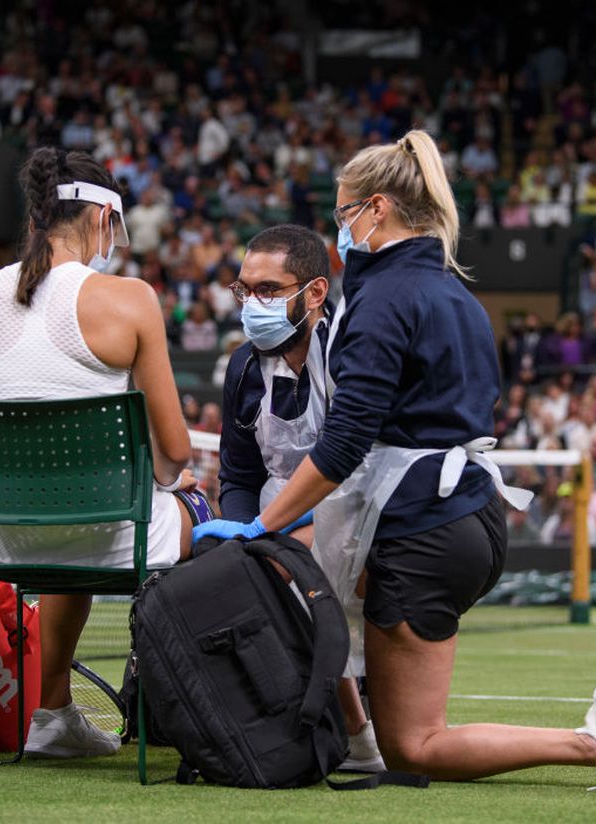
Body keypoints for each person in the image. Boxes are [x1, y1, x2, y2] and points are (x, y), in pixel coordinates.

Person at [195, 130, 596, 792]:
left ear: (377, 209)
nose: (340, 228)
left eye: (345, 212)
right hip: (467, 514)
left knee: (415, 746)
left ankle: (592, 742)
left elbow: (344, 443)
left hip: (424, 524)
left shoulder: (382, 298)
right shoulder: (451, 290)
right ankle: (354, 730)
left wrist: (262, 527)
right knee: (382, 702)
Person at [0, 147, 212, 760]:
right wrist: (175, 481)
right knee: (206, 512)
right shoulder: (131, 299)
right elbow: (172, 453)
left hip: (7, 540)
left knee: (71, 519)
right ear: (99, 219)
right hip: (113, 534)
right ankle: (169, 709)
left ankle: (53, 712)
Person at [217, 224, 383, 772]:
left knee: (296, 570)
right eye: (244, 290)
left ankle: (358, 726)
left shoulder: (349, 352)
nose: (251, 303)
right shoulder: (242, 368)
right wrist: (242, 537)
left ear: (314, 293)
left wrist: (271, 533)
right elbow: (238, 476)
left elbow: (356, 463)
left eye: (268, 290)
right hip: (271, 520)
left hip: (356, 511)